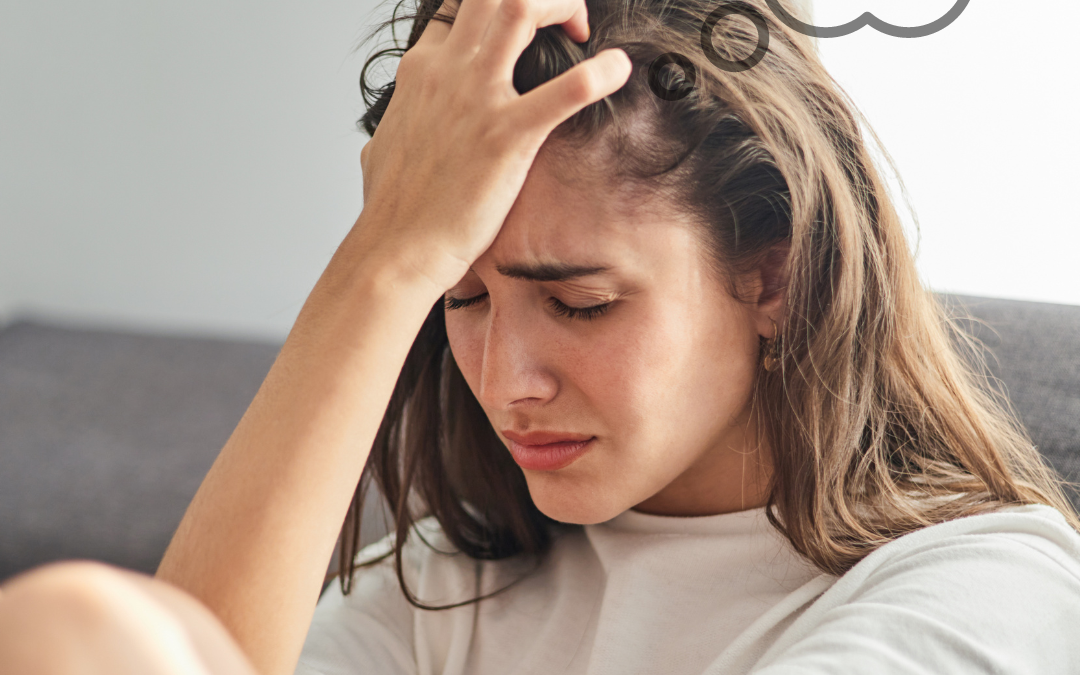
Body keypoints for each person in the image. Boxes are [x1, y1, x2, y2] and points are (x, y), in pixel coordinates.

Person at [3, 0, 1079, 673]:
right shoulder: (449, 588)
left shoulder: (992, 585)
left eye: (579, 304)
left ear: (776, 277)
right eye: (458, 301)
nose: (506, 382)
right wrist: (383, 261)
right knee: (78, 629)